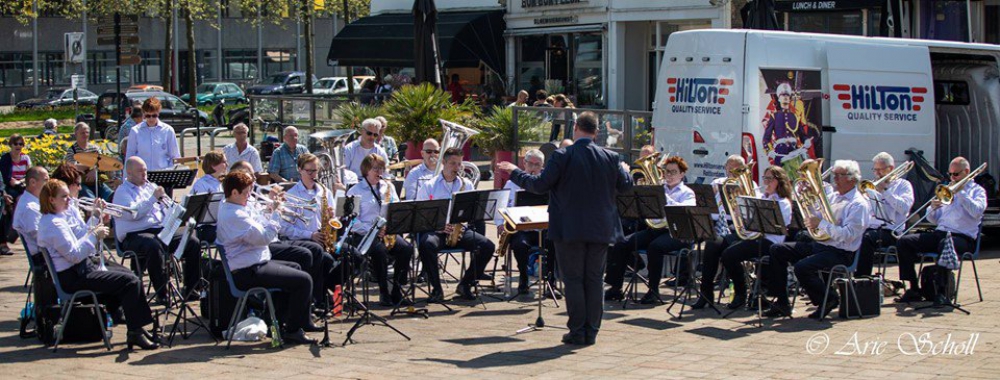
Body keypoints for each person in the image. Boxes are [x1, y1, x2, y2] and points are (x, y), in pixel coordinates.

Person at [496, 111, 632, 346]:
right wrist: (626, 171)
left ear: (575, 127)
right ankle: (592, 331)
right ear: (596, 132)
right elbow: (626, 186)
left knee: (573, 279)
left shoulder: (562, 155)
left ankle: (578, 331)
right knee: (594, 279)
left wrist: (514, 171)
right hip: (600, 229)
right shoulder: (611, 157)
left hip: (570, 229)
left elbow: (538, 186)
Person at [37, 179, 158, 350]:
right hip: (73, 276)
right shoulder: (53, 225)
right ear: (51, 200)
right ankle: (135, 331)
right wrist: (95, 236)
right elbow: (74, 255)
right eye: (64, 197)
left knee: (128, 274)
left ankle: (128, 320)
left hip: (80, 268)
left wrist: (95, 217)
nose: (69, 200)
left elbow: (80, 237)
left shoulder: (58, 219)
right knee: (130, 282)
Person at [216, 171, 321, 345]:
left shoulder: (235, 206)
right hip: (247, 271)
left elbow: (258, 225)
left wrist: (269, 209)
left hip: (255, 263)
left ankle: (280, 322)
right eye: (246, 192)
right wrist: (276, 213)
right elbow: (265, 237)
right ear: (234, 193)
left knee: (296, 268)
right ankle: (293, 331)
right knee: (304, 281)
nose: (250, 195)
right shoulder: (235, 215)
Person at [766, 160, 870, 319]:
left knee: (802, 267)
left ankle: (829, 298)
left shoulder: (858, 204)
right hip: (822, 244)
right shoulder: (833, 197)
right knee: (777, 249)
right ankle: (782, 302)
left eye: (838, 175)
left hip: (841, 252)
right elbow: (816, 217)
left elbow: (848, 235)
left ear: (852, 178)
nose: (834, 179)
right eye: (834, 175)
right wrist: (806, 198)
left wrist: (821, 223)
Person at [697, 166, 793, 310]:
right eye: (765, 178)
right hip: (751, 236)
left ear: (780, 182)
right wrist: (738, 212)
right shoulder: (760, 197)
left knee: (729, 255)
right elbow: (747, 225)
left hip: (769, 241)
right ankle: (706, 293)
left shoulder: (783, 203)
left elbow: (774, 227)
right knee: (713, 243)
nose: (766, 182)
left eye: (770, 179)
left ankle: (740, 293)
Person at [895, 156, 985, 304]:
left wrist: (960, 193)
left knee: (945, 244)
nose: (952, 177)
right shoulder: (947, 189)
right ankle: (913, 288)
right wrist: (933, 208)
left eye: (956, 174)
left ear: (967, 172)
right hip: (940, 232)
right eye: (950, 174)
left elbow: (977, 211)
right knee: (904, 242)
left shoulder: (977, 191)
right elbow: (934, 220)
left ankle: (942, 292)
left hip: (963, 238)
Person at [113, 157, 202, 304]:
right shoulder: (122, 192)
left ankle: (191, 289)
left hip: (159, 229)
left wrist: (170, 207)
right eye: (140, 171)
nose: (144, 174)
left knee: (191, 240)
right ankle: (162, 293)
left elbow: (166, 213)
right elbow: (133, 214)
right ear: (129, 173)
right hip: (134, 234)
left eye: (145, 170)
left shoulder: (150, 187)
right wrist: (153, 199)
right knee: (153, 245)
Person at [415, 147, 496, 302]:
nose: (457, 168)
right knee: (426, 244)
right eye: (453, 164)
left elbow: (472, 212)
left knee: (487, 246)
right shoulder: (429, 186)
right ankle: (436, 290)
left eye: (459, 164)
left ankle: (466, 284)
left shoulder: (466, 184)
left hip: (459, 230)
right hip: (436, 230)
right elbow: (422, 215)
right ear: (444, 163)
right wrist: (438, 226)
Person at [345, 154, 414, 306]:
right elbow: (352, 221)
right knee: (380, 251)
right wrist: (372, 229)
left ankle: (397, 289)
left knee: (407, 249)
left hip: (387, 232)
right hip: (364, 234)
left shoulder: (388, 187)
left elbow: (397, 209)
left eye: (381, 168)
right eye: (375, 168)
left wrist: (390, 226)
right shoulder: (355, 191)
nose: (379, 172)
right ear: (366, 170)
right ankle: (384, 292)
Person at [277, 153, 340, 304]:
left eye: (316, 170)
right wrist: (310, 234)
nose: (313, 174)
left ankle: (325, 289)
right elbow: (283, 228)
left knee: (354, 256)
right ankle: (318, 298)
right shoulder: (291, 195)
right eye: (309, 171)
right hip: (304, 240)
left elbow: (335, 220)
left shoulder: (325, 192)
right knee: (327, 260)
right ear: (300, 170)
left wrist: (332, 218)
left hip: (325, 238)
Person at [496, 149, 560, 298]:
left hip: (543, 228)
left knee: (554, 242)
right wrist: (500, 224)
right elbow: (502, 207)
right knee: (520, 245)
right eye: (530, 163)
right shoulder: (512, 184)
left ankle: (551, 282)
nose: (533, 168)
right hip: (522, 229)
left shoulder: (546, 185)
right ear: (523, 163)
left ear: (542, 166)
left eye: (537, 165)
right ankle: (523, 277)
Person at [638, 155, 697, 304]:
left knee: (655, 248)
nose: (668, 175)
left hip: (677, 233)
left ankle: (653, 290)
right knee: (622, 242)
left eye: (673, 172)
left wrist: (662, 197)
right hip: (656, 229)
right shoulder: (659, 189)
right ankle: (615, 287)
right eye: (667, 172)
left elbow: (680, 212)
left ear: (682, 174)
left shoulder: (687, 193)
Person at [858, 152, 914, 277]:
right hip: (871, 228)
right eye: (875, 170)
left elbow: (904, 208)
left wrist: (885, 191)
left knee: (866, 239)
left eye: (881, 170)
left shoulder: (903, 185)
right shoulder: (872, 186)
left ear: (891, 169)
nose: (877, 173)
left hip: (892, 231)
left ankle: (862, 278)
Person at [124, 97, 180, 173]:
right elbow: (129, 158)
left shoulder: (168, 130)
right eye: (148, 116)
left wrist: (169, 173)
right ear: (143, 113)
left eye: (154, 116)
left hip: (162, 175)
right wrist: (126, 181)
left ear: (158, 113)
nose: (151, 119)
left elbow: (175, 157)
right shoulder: (135, 131)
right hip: (141, 177)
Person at [65, 122, 114, 201]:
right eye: (82, 133)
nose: (85, 135)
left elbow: (103, 162)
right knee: (90, 199)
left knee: (110, 195)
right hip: (81, 183)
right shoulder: (72, 150)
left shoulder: (94, 148)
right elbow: (73, 167)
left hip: (97, 181)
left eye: (87, 132)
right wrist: (93, 164)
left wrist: (94, 170)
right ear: (76, 134)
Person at [0, 134, 31, 255]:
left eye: (21, 144)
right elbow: (6, 179)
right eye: (16, 144)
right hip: (10, 187)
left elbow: (29, 174)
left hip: (22, 185)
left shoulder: (25, 158)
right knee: (13, 203)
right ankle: (13, 229)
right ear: (11, 145)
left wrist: (23, 183)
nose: (18, 146)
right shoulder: (6, 159)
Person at [12, 166, 49, 265]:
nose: (49, 185)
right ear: (33, 182)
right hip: (44, 259)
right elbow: (40, 238)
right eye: (46, 180)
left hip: (47, 255)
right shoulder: (30, 208)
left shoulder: (34, 202)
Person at [190, 151, 227, 243]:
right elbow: (200, 213)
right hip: (205, 227)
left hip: (220, 224)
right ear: (213, 165)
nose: (227, 164)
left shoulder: (222, 182)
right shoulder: (201, 184)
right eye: (224, 162)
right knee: (228, 234)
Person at [343, 119, 390, 183]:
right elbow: (344, 171)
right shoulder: (349, 149)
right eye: (369, 133)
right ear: (362, 131)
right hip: (354, 185)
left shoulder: (380, 152)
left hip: (374, 187)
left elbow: (385, 173)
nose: (372, 137)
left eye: (375, 135)